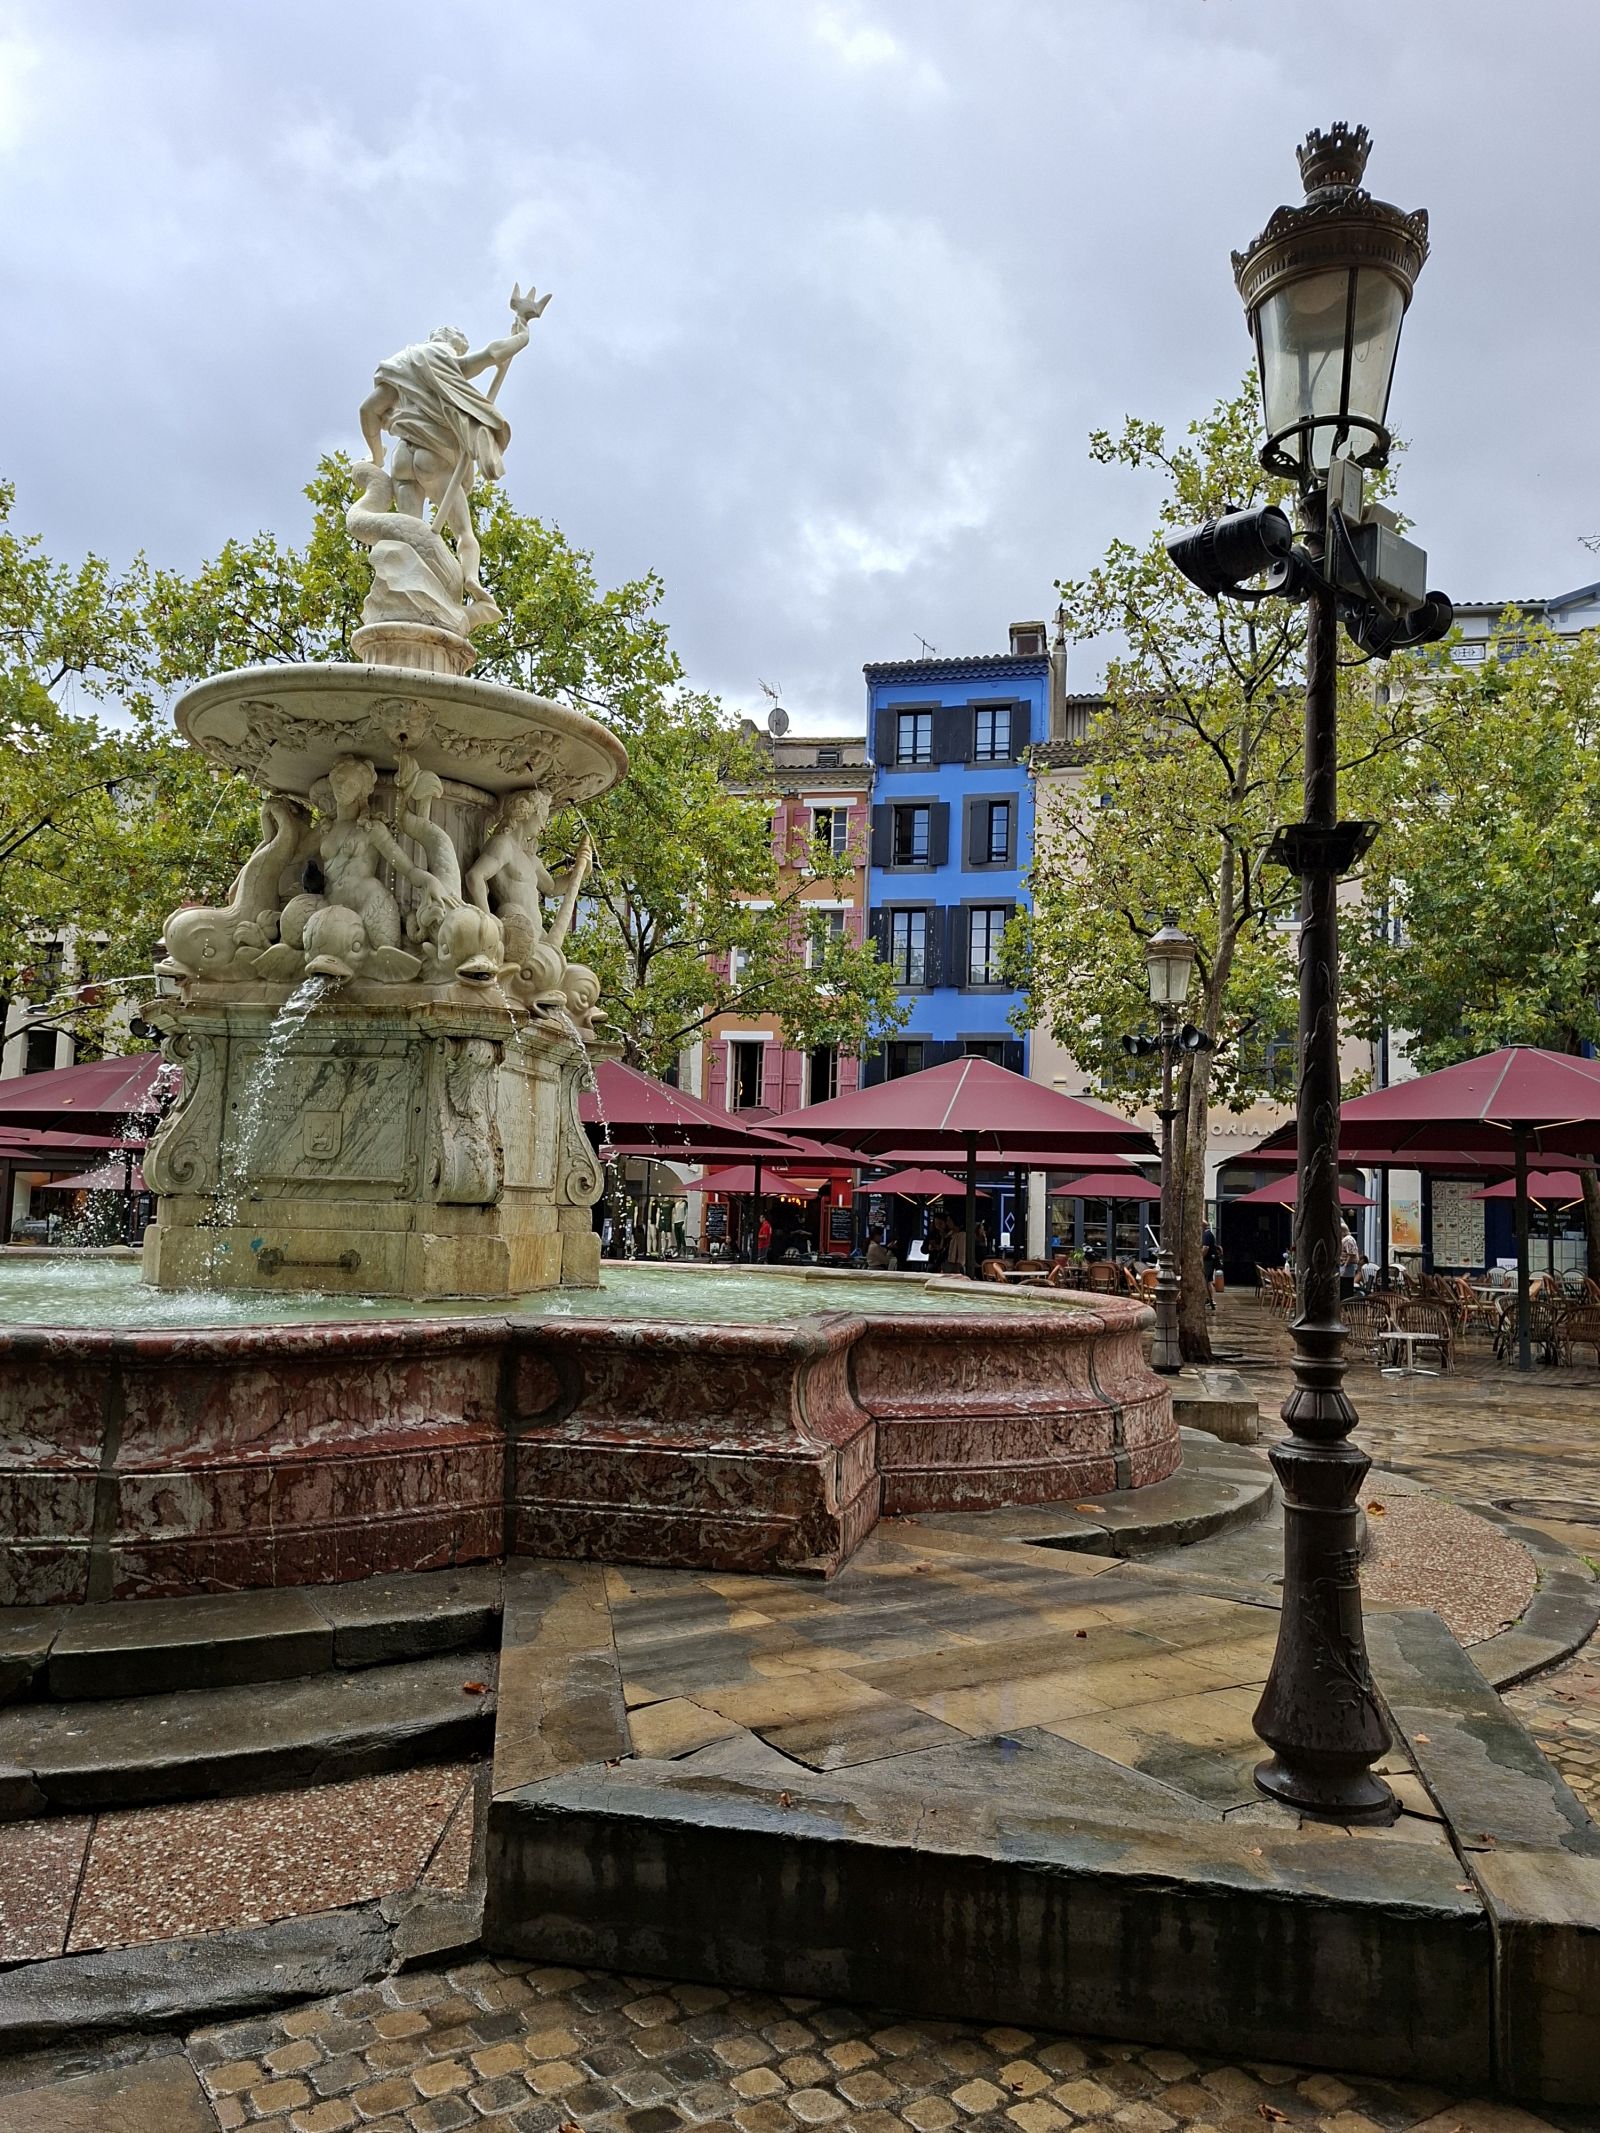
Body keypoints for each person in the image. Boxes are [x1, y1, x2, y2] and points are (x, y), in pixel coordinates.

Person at [1338, 1221, 1361, 1299]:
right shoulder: (1346, 1239)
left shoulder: (1348, 1239)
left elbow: (1351, 1254)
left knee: (1346, 1285)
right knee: (1344, 1285)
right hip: (1346, 1265)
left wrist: (1345, 1265)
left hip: (1348, 1266)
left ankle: (1346, 1302)